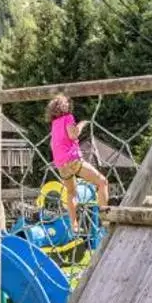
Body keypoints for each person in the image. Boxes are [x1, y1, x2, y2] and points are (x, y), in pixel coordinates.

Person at [47, 94, 109, 224]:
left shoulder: (54, 123)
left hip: (60, 164)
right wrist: (82, 124)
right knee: (102, 182)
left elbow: (52, 144)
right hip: (72, 159)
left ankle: (73, 224)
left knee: (71, 193)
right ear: (64, 106)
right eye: (67, 103)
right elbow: (73, 134)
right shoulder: (67, 118)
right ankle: (105, 219)